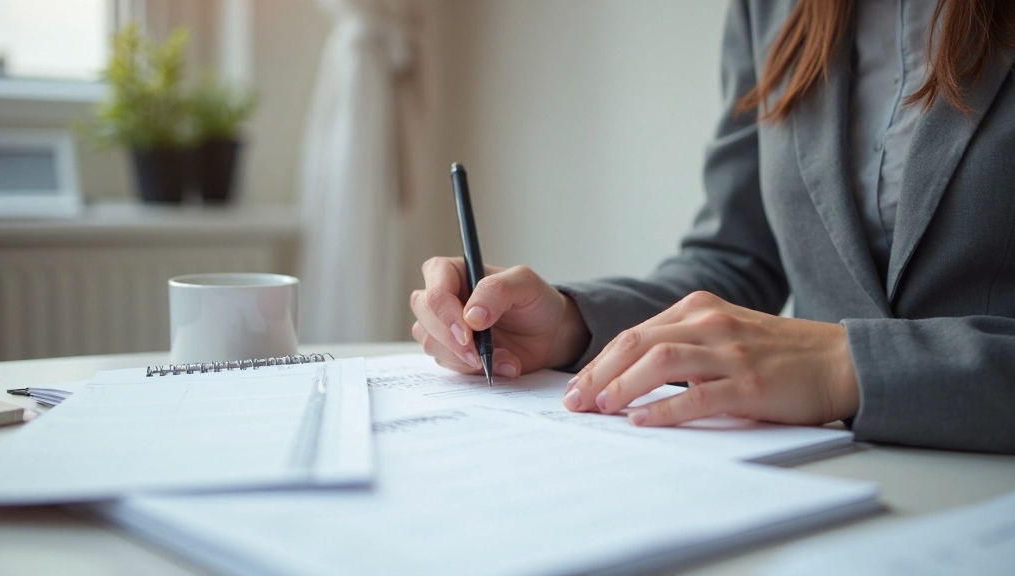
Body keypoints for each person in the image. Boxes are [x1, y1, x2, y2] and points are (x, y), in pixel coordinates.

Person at [409, 0, 1015, 454]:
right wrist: (569, 323)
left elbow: (827, 348)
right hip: (817, 478)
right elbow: (735, 259)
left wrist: (847, 366)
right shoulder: (773, 8)